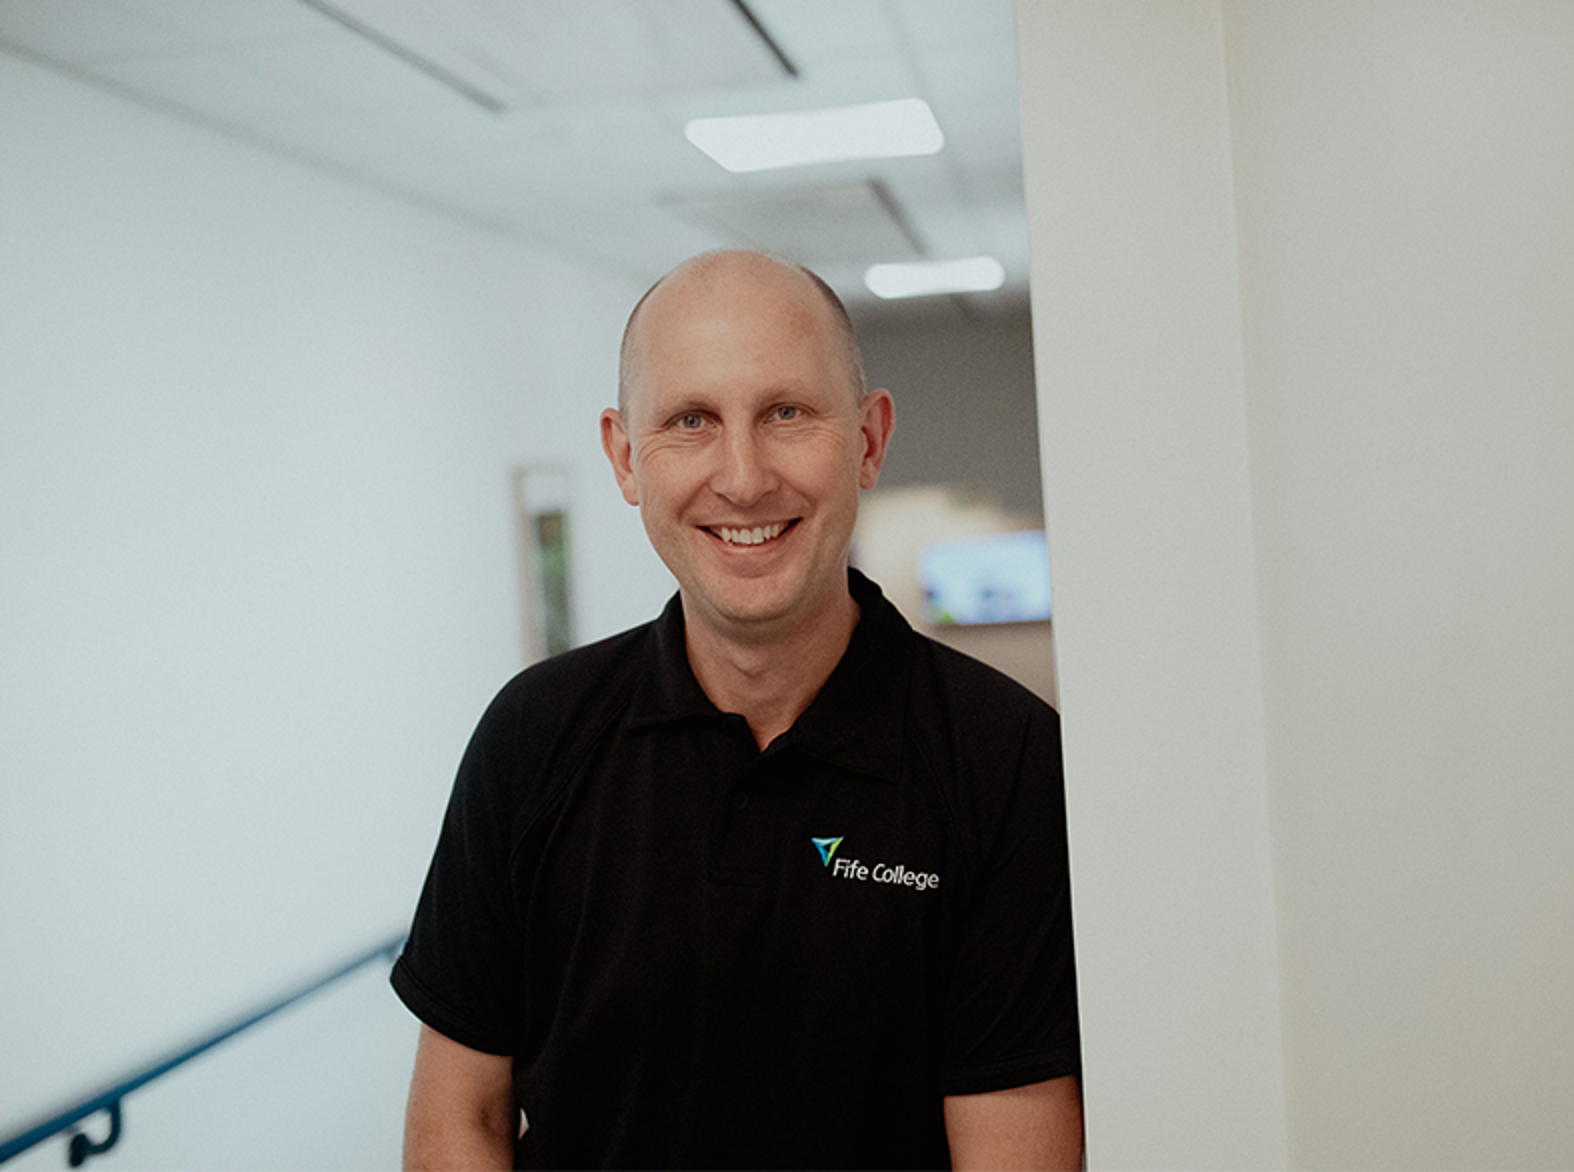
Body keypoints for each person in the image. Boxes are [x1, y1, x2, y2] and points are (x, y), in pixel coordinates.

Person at [392, 250, 1082, 1170]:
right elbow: (459, 1123)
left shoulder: (1008, 759)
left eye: (787, 413)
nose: (745, 477)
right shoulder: (532, 738)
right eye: (690, 421)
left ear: (870, 441)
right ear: (625, 456)